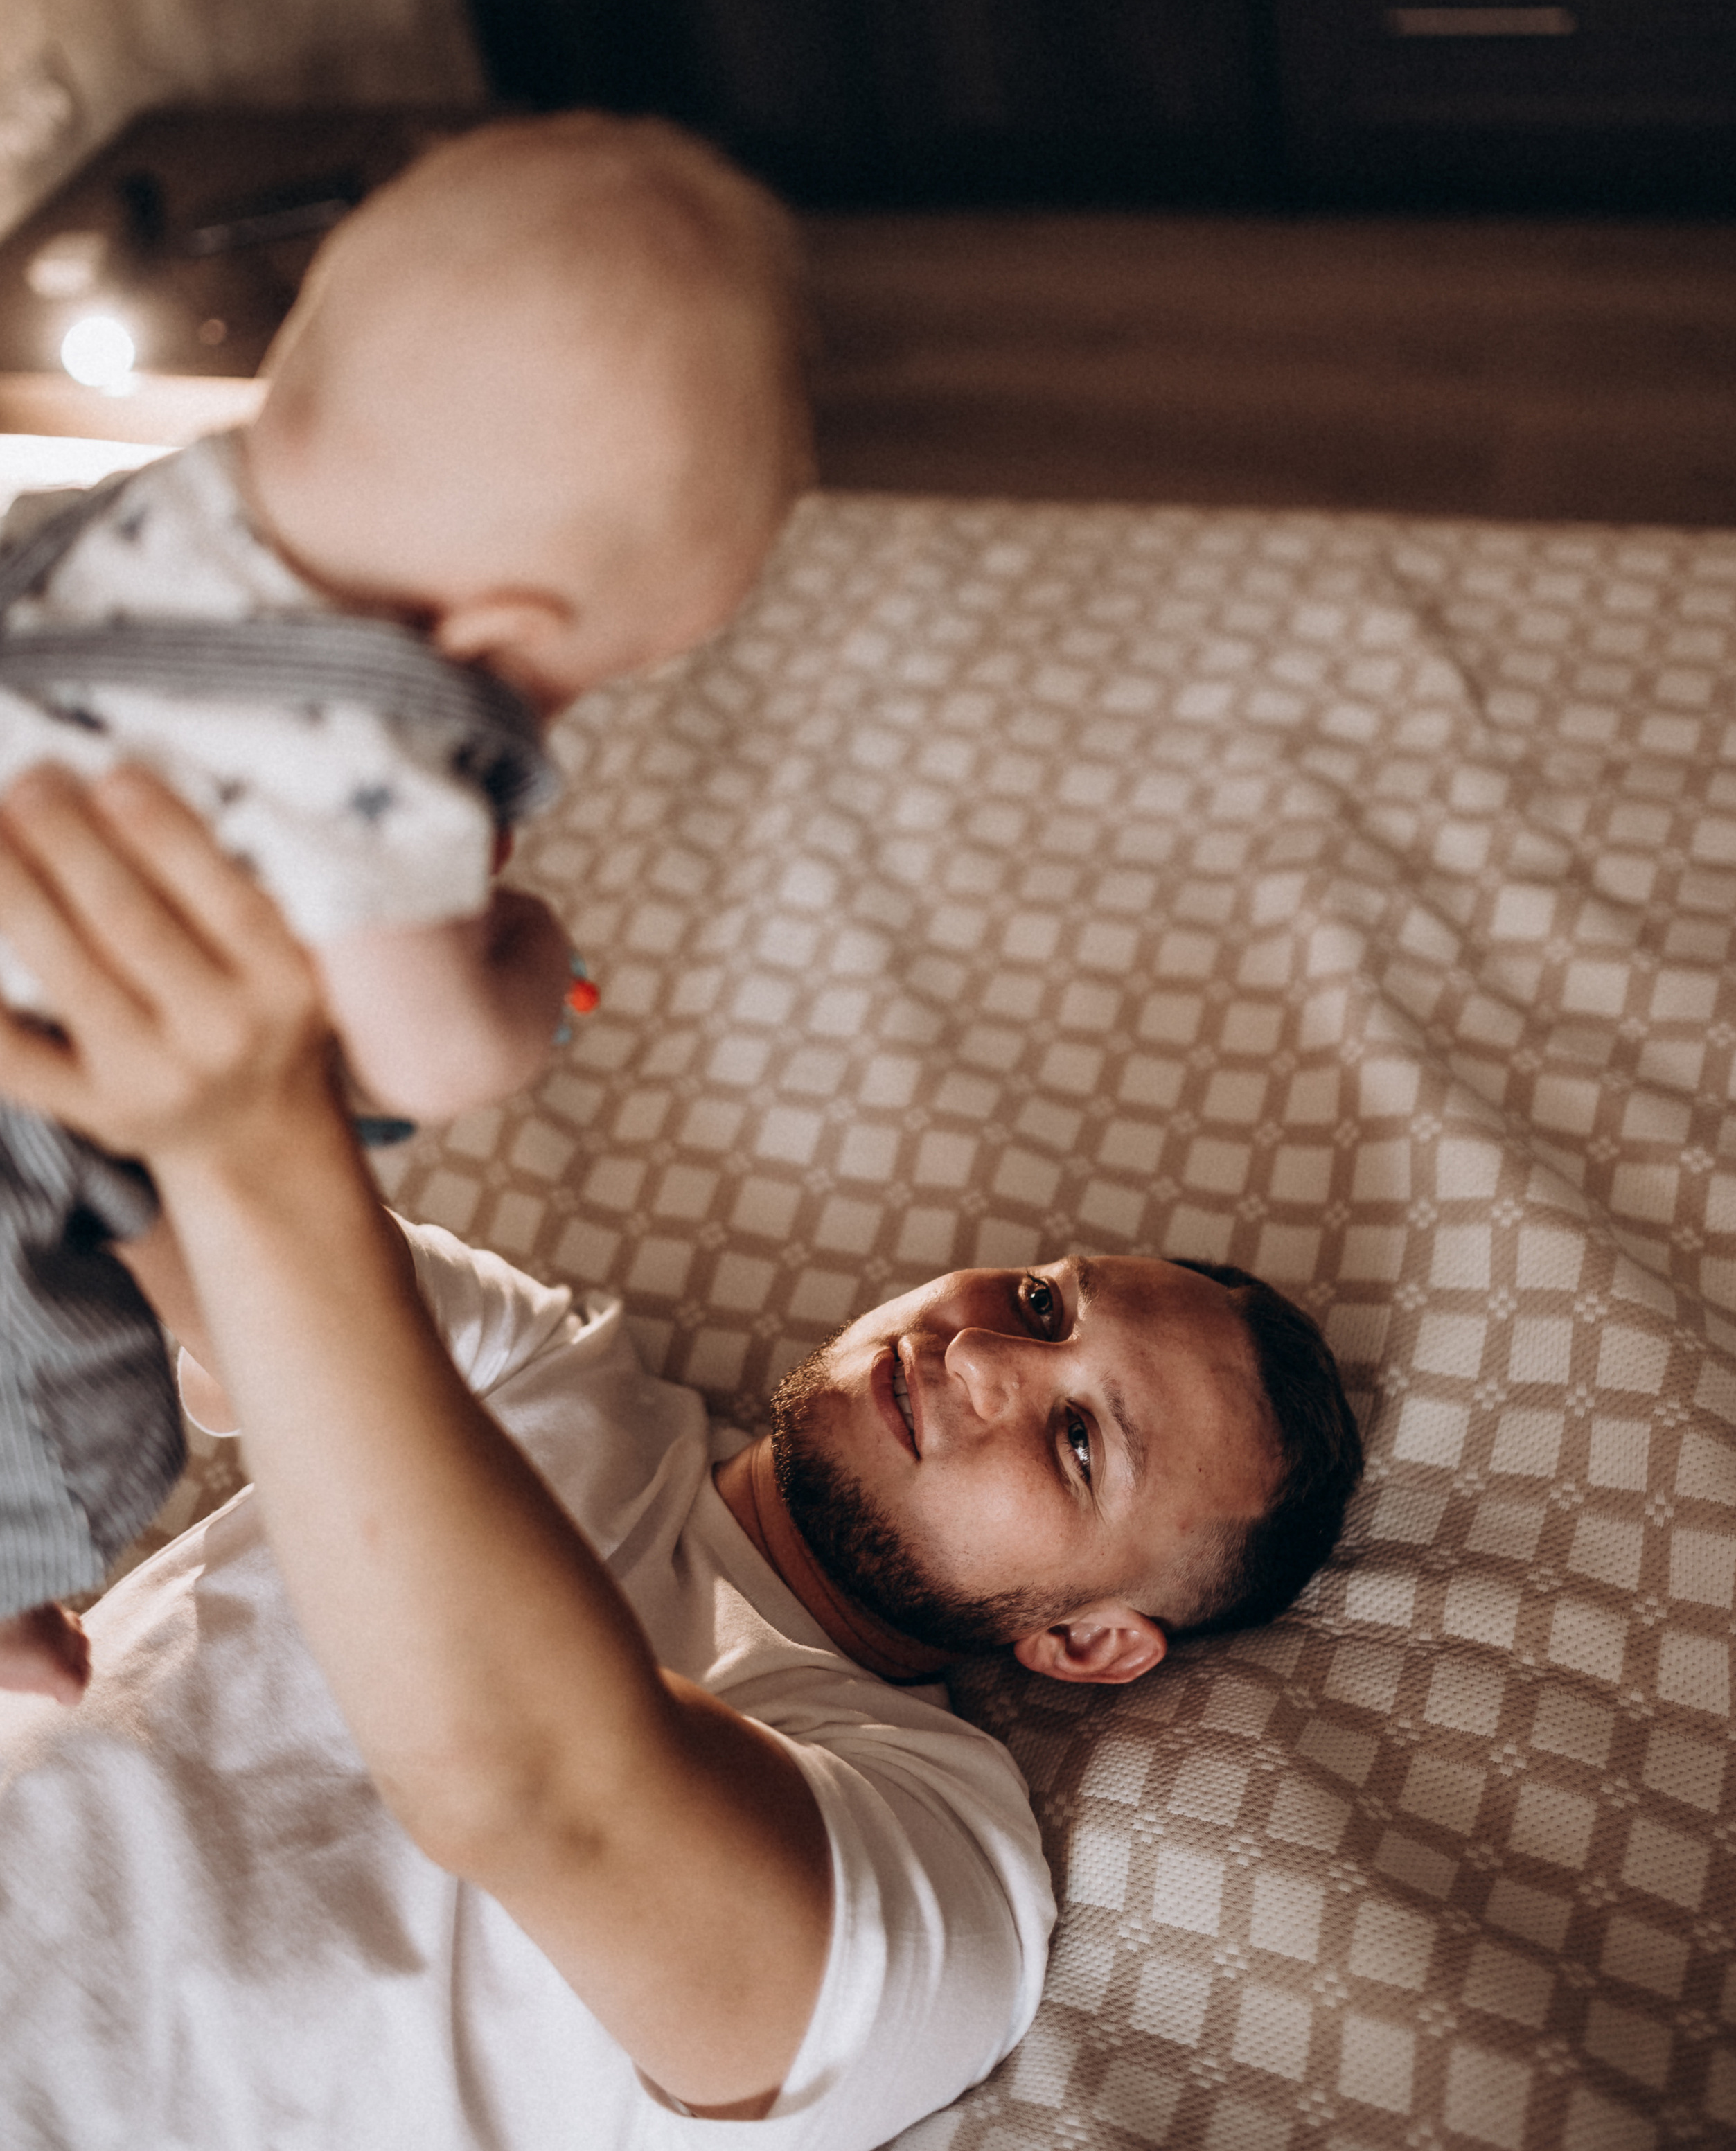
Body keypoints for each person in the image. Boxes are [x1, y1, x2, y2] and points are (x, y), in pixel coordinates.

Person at [0, 768, 1362, 2147]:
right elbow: (134, 1194)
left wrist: (257, 1127)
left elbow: (528, 1788)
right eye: (1040, 1299)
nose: (985, 1354)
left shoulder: (943, 1864)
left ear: (1083, 1642)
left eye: (1076, 1441)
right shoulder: (546, 1363)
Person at [0, 112, 812, 1701]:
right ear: (496, 627)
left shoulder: (137, 509)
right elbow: (436, 1059)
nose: (542, 733)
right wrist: (532, 961)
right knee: (82, 1417)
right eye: (563, 689)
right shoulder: (362, 751)